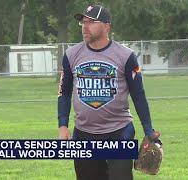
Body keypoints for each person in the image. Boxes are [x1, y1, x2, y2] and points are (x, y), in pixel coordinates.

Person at [57, 4, 161, 180]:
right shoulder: (71, 55)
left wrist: (148, 129)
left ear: (107, 26)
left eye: (91, 22)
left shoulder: (126, 56)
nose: (85, 26)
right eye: (83, 22)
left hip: (119, 131)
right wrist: (63, 126)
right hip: (84, 133)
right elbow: (64, 92)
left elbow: (138, 94)